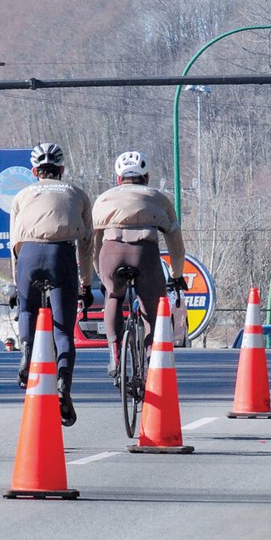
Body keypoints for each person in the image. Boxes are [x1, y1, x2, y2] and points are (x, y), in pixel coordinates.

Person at [8, 142, 95, 427]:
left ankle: (25, 350)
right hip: (61, 256)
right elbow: (86, 243)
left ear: (34, 171)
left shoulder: (21, 195)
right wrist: (85, 284)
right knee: (63, 329)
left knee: (28, 311)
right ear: (62, 170)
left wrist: (16, 285)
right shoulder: (77, 194)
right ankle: (63, 386)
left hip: (28, 256)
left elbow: (14, 245)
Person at [92, 150, 187, 382]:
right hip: (144, 252)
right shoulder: (157, 197)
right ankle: (151, 358)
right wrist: (176, 274)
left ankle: (114, 353)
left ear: (118, 179)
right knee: (152, 308)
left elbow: (92, 241)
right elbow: (175, 239)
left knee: (114, 297)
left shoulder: (104, 198)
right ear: (146, 178)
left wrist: (98, 273)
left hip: (110, 254)